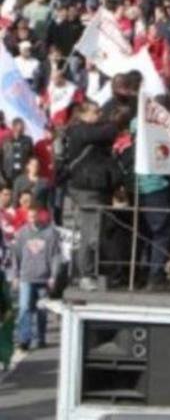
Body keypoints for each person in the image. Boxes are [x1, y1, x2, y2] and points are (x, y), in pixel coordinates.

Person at [62, 100, 120, 291]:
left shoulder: (92, 131)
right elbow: (107, 133)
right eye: (95, 112)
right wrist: (116, 121)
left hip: (98, 189)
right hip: (86, 190)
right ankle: (85, 274)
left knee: (98, 232)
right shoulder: (80, 131)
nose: (99, 116)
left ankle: (96, 271)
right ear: (83, 114)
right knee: (90, 233)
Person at [11, 204, 60, 352]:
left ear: (40, 215)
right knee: (24, 308)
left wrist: (53, 275)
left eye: (35, 216)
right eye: (30, 216)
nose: (32, 219)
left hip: (43, 278)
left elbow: (55, 256)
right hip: (26, 276)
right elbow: (16, 256)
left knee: (41, 310)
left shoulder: (51, 233)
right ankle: (24, 339)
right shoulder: (22, 233)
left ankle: (41, 338)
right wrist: (15, 275)